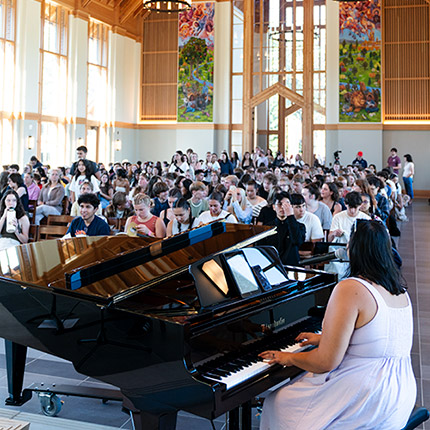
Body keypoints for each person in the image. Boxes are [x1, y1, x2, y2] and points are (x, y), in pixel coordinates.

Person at [259, 220, 416, 430]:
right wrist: (324, 338)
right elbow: (376, 339)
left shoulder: (351, 288)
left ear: (355, 249)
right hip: (398, 394)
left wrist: (288, 357)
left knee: (277, 403)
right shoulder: (400, 291)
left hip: (366, 398)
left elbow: (326, 361)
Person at [258, 191, 306, 266]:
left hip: (292, 266)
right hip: (272, 266)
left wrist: (290, 215)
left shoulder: (300, 226)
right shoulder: (267, 228)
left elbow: (297, 241)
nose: (283, 207)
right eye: (280, 204)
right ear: (274, 207)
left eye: (286, 204)